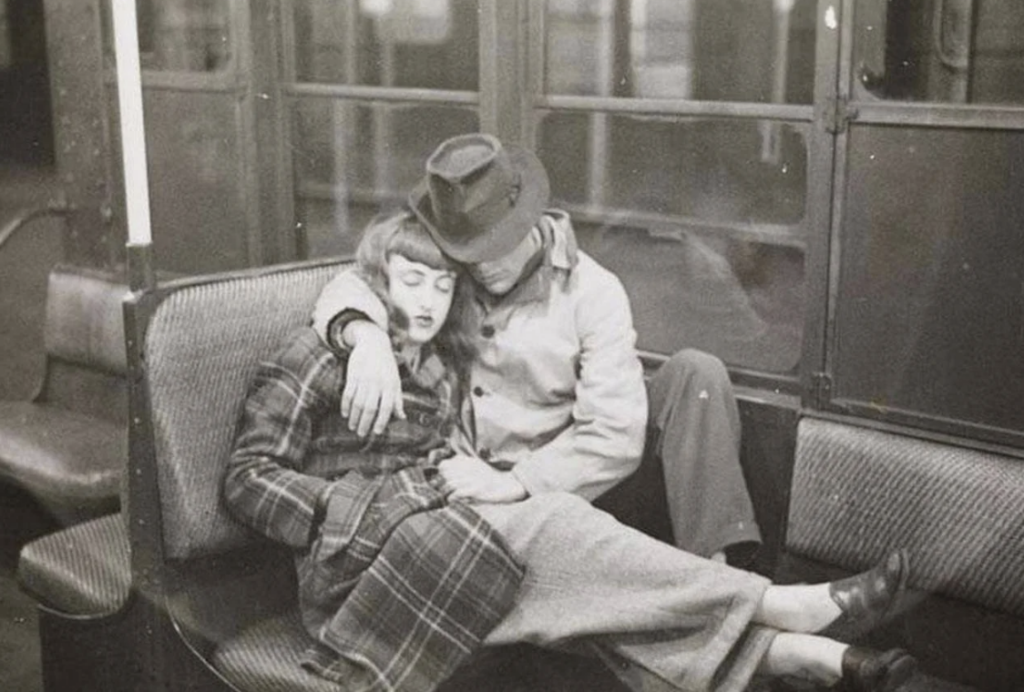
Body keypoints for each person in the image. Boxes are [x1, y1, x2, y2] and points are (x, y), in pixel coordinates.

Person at [312, 133, 759, 565]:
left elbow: (615, 436)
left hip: (577, 483)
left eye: (496, 246)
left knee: (696, 372)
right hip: (472, 491)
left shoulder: (594, 290)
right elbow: (353, 281)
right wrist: (365, 336)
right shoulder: (449, 264)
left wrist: (518, 482)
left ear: (529, 219)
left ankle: (718, 571)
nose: (482, 267)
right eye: (469, 251)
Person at [223, 213, 525, 692]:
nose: (429, 301)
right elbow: (246, 476)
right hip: (345, 572)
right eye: (413, 281)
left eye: (443, 287)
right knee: (537, 551)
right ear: (379, 283)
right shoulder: (319, 355)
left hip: (423, 529)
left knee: (549, 529)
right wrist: (340, 506)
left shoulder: (441, 366)